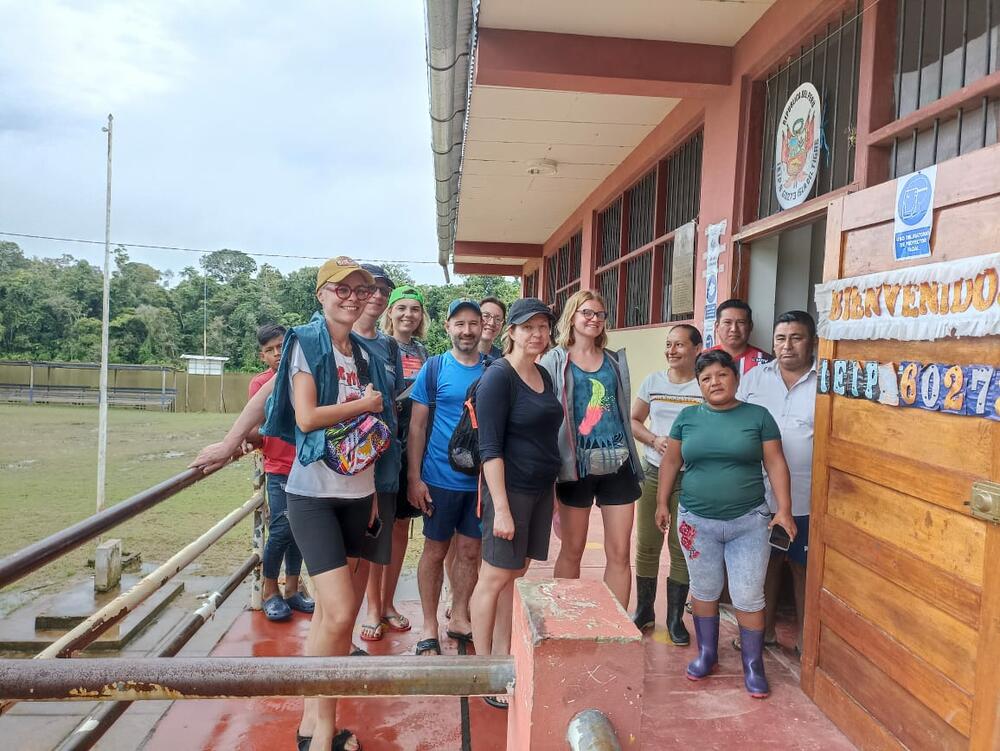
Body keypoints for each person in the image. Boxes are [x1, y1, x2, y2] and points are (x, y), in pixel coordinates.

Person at [191, 257, 395, 751]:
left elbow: (374, 431)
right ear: (321, 295)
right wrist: (228, 442)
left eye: (360, 289)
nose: (352, 297)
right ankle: (323, 731)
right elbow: (303, 417)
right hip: (312, 495)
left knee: (329, 616)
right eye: (340, 289)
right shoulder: (306, 341)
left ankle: (310, 721)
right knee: (343, 610)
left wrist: (372, 497)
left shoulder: (366, 352)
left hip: (357, 493)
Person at [655, 349, 796, 699]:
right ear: (699, 385)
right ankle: (707, 654)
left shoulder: (758, 416)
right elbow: (671, 461)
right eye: (706, 378)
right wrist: (661, 502)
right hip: (696, 521)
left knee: (749, 593)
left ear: (735, 377)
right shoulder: (687, 418)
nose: (714, 382)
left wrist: (785, 509)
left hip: (749, 521)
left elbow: (776, 462)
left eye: (721, 375)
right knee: (704, 590)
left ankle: (753, 665)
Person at [469, 298, 562, 709]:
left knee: (514, 574)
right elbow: (489, 448)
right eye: (528, 327)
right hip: (510, 492)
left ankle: (506, 656)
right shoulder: (498, 378)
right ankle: (483, 668)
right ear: (511, 331)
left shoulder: (543, 374)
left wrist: (553, 494)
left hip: (540, 490)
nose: (536, 334)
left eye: (543, 327)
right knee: (493, 577)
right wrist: (501, 508)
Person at [540, 290, 643, 609]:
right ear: (572, 316)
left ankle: (617, 624)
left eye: (600, 314)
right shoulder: (554, 359)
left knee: (620, 552)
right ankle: (563, 619)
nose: (594, 319)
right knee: (572, 549)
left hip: (618, 462)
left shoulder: (613, 360)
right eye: (587, 312)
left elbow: (617, 408)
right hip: (574, 466)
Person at [736, 310, 816, 657]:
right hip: (760, 493)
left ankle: (805, 641)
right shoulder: (755, 379)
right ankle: (763, 632)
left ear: (812, 341)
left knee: (803, 568)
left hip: (807, 495)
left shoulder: (825, 381)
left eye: (796, 338)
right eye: (781, 338)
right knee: (763, 563)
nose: (787, 346)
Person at [408, 299, 485, 656]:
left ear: (483, 327)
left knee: (470, 551)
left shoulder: (495, 370)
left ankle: (461, 616)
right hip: (439, 478)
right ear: (447, 328)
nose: (467, 330)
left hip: (481, 482)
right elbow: (418, 426)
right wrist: (414, 477)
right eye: (460, 324)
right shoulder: (434, 368)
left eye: (474, 323)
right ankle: (428, 624)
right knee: (435, 551)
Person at [629, 324, 703, 644]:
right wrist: (654, 438)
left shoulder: (705, 385)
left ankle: (675, 618)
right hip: (654, 473)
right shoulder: (653, 382)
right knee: (647, 543)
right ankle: (645, 610)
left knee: (681, 546)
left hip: (692, 477)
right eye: (668, 345)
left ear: (697, 349)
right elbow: (633, 420)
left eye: (680, 345)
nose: (671, 351)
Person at [363, 283, 430, 637]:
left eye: (414, 309)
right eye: (401, 307)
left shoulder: (423, 351)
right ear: (390, 312)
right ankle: (372, 608)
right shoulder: (380, 347)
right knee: (378, 529)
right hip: (382, 448)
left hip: (412, 450)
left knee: (402, 528)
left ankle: (388, 602)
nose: (408, 314)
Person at [352, 264, 406, 644]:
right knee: (348, 548)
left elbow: (397, 400)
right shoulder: (333, 337)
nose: (378, 296)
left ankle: (374, 609)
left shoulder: (388, 346)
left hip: (384, 457)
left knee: (377, 538)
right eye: (371, 288)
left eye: (384, 290)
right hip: (347, 462)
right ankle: (345, 627)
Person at [249, 323, 314, 622]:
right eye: (269, 350)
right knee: (281, 529)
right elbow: (253, 426)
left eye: (280, 347)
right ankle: (269, 590)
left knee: (301, 531)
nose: (277, 354)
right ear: (262, 356)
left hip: (307, 465)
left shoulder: (304, 377)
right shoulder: (260, 384)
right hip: (279, 468)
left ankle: (292, 588)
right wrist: (247, 439)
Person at [711, 299, 772, 374]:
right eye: (727, 322)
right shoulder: (702, 358)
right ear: (717, 327)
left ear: (750, 326)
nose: (734, 329)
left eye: (741, 322)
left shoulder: (767, 363)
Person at [479, 296, 507, 360]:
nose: (491, 323)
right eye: (486, 316)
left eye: (498, 319)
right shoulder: (458, 357)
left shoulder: (505, 360)